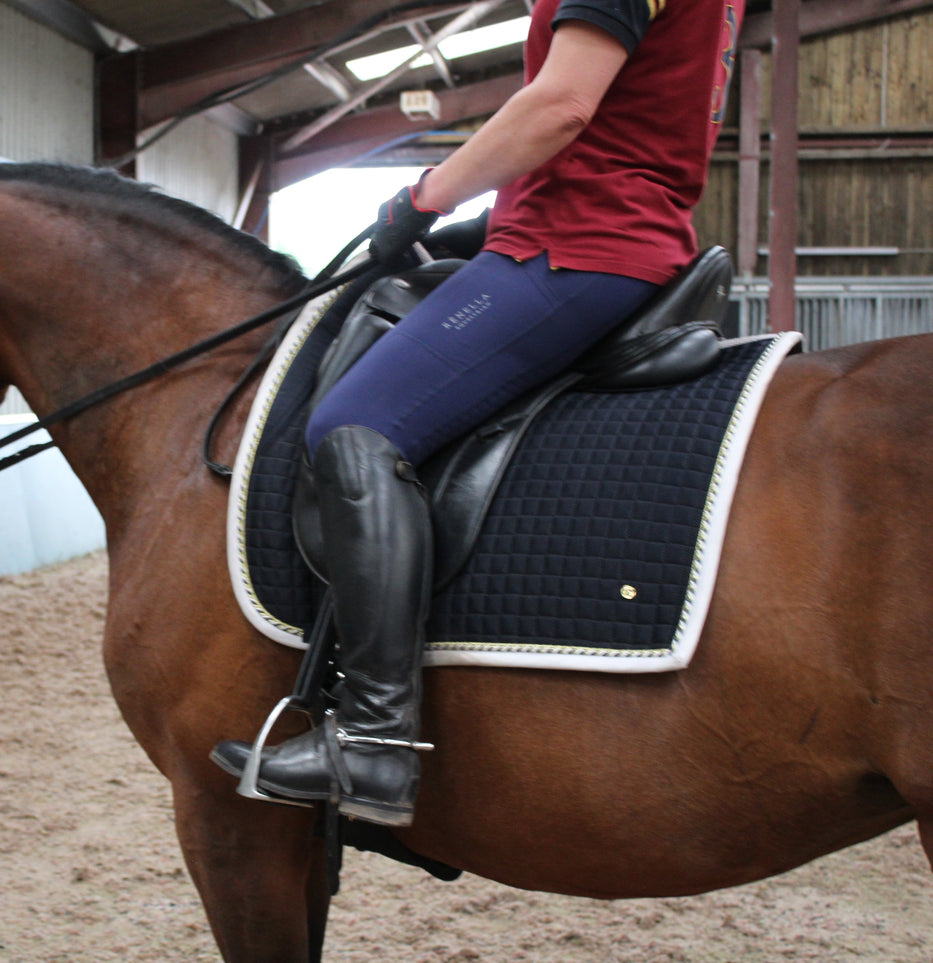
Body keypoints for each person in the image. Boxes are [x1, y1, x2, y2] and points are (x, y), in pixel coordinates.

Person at [214, 0, 745, 827]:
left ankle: (373, 738)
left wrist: (421, 199)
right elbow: (624, 123)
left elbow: (560, 105)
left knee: (355, 426)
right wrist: (482, 220)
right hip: (590, 230)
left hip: (580, 246)